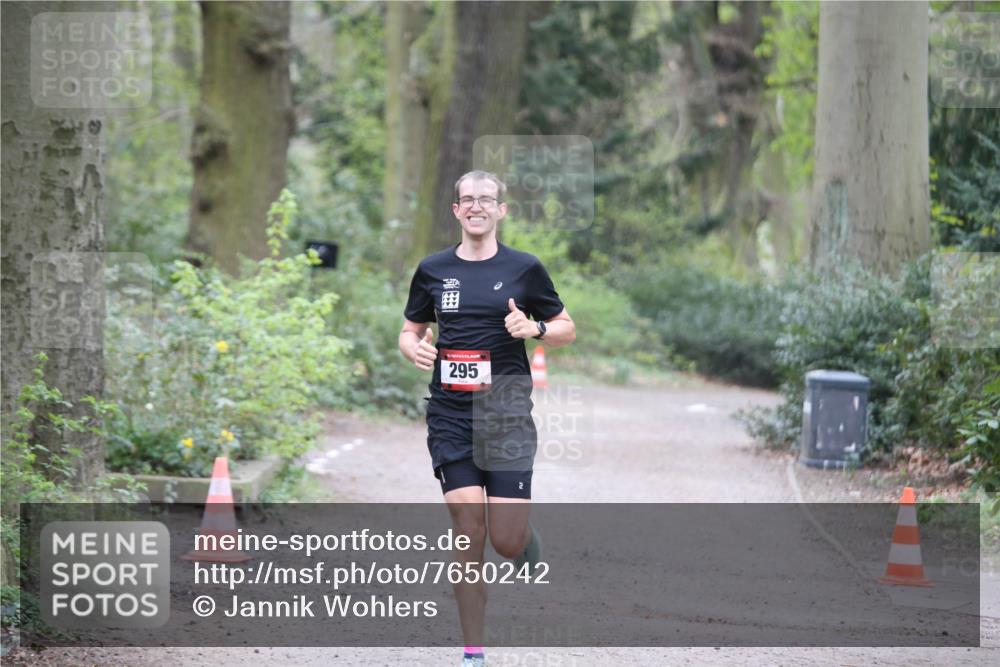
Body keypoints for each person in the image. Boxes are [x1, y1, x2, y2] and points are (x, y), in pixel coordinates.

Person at [399, 170, 576, 667]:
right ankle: (473, 651)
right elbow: (409, 329)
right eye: (467, 199)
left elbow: (567, 328)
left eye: (486, 199)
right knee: (467, 528)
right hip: (451, 415)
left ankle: (522, 538)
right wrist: (414, 348)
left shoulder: (525, 269)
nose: (477, 206)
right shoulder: (433, 270)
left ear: (502, 210)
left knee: (504, 540)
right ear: (456, 210)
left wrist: (534, 327)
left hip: (507, 418)